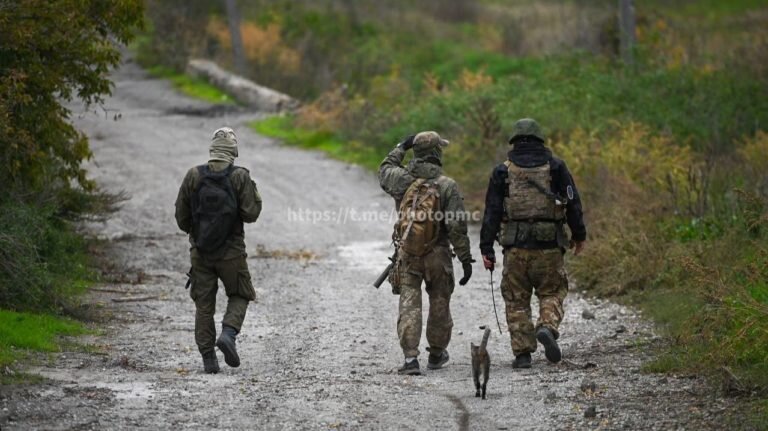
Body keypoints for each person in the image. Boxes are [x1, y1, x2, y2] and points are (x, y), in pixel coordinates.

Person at [479, 119, 586, 369]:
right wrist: (579, 235)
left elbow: (492, 212)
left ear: (514, 141)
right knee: (552, 292)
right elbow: (573, 203)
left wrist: (486, 248)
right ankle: (547, 326)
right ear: (540, 139)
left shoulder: (502, 171)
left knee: (516, 299)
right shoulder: (556, 167)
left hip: (515, 248)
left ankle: (523, 354)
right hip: (549, 246)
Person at [379, 131, 475, 375]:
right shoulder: (446, 185)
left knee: (409, 303)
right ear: (436, 152)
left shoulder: (400, 179)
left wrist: (402, 146)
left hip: (408, 252)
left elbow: (385, 167)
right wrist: (465, 258)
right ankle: (436, 353)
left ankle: (410, 358)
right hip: (438, 254)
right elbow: (456, 226)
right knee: (439, 302)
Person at [174, 127, 262, 374]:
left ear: (212, 149)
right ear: (234, 151)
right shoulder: (239, 176)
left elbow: (181, 219)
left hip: (200, 252)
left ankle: (209, 359)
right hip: (231, 252)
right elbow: (251, 214)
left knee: (204, 305)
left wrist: (199, 235)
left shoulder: (193, 175)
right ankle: (228, 334)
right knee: (241, 293)